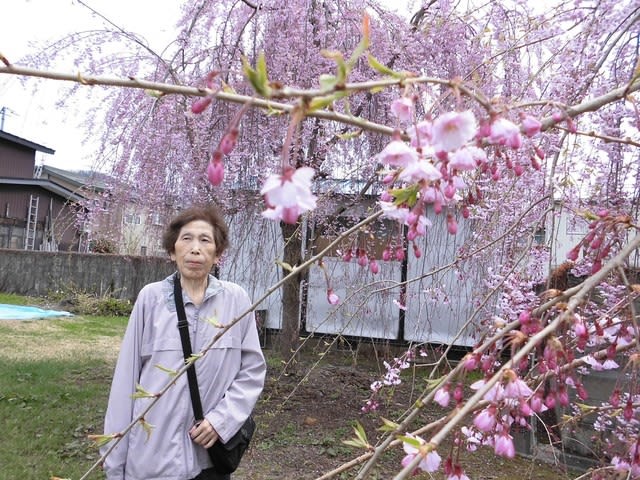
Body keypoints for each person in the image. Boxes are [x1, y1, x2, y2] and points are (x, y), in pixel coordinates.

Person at [101, 205, 266, 480]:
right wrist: (114, 464)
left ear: (218, 254)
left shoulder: (236, 300)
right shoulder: (151, 299)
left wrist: (221, 421)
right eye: (186, 238)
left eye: (205, 240)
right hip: (152, 460)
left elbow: (252, 371)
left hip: (208, 461)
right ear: (172, 250)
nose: (195, 249)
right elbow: (125, 382)